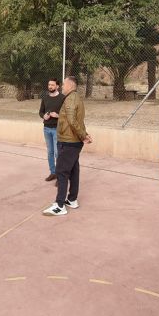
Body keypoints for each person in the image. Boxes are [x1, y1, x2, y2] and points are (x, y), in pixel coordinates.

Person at [43, 76, 93, 216]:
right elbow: (76, 120)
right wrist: (84, 134)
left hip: (69, 141)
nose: (62, 86)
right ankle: (72, 200)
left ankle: (60, 205)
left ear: (70, 85)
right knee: (73, 170)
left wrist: (84, 135)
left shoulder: (70, 99)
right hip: (74, 141)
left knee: (61, 171)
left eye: (64, 84)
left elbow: (71, 120)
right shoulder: (75, 97)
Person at [38, 78, 65, 181]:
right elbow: (40, 112)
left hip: (57, 129)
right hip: (46, 128)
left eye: (52, 85)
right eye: (49, 85)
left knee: (58, 153)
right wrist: (43, 116)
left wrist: (58, 115)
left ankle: (59, 176)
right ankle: (53, 173)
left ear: (57, 86)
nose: (50, 87)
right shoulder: (45, 97)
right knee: (50, 152)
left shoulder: (62, 98)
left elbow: (66, 114)